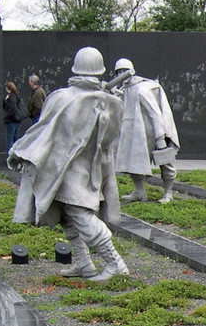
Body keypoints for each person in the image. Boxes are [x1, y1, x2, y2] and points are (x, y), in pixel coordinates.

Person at [9, 47, 127, 281]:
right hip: (82, 168)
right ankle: (85, 264)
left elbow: (42, 130)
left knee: (80, 215)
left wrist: (19, 149)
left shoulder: (66, 97)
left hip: (71, 169)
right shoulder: (109, 102)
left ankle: (116, 264)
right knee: (66, 216)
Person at [112, 58, 180, 204]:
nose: (122, 74)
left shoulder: (142, 89)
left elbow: (154, 113)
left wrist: (160, 137)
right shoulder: (122, 90)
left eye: (124, 71)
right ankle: (139, 191)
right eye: (119, 72)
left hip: (150, 132)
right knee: (133, 163)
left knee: (164, 161)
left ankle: (168, 193)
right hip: (133, 133)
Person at [3, 81, 25, 152]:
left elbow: (12, 108)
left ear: (7, 88)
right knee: (15, 138)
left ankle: (9, 154)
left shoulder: (11, 96)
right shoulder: (17, 95)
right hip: (17, 120)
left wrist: (5, 101)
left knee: (9, 138)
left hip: (11, 120)